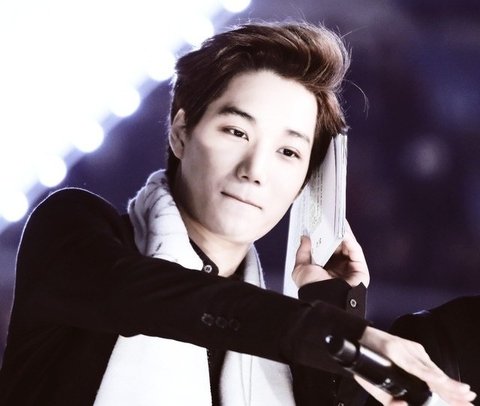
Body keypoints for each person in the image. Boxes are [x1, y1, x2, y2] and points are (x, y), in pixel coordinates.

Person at [0, 21, 475, 406]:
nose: (254, 170)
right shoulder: (73, 230)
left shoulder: (281, 343)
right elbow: (152, 298)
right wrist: (333, 334)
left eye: (288, 152)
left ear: (305, 182)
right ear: (180, 132)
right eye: (236, 131)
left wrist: (333, 303)